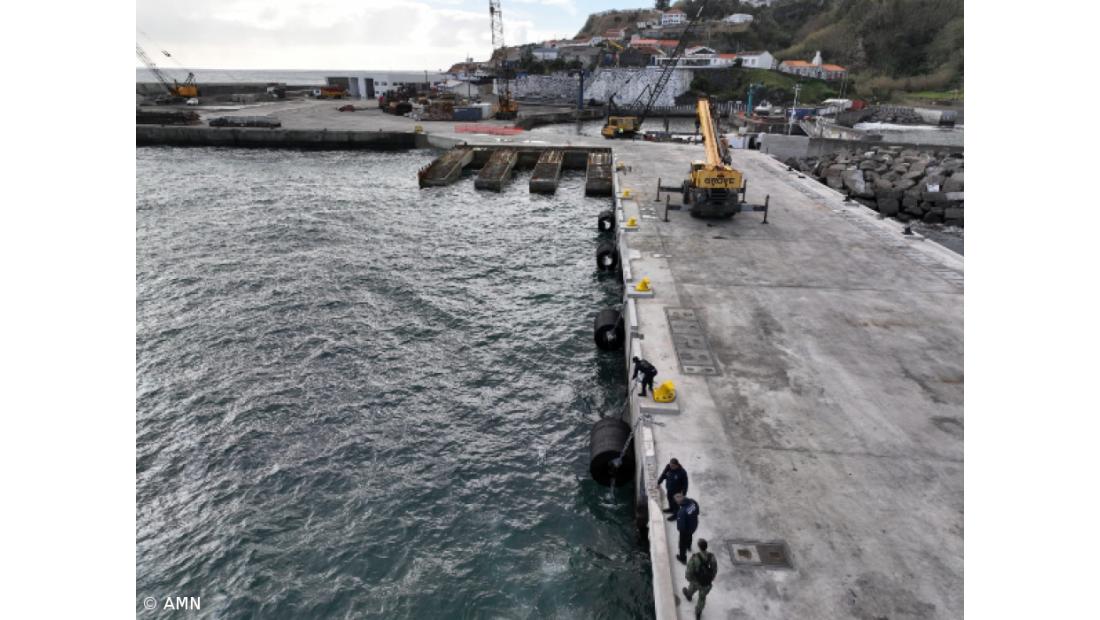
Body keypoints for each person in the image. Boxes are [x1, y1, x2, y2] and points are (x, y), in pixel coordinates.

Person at [683, 538, 718, 619]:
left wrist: (688, 578)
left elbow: (689, 570)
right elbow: (714, 569)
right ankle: (698, 613)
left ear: (699, 547)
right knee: (702, 598)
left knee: (691, 588)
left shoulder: (695, 558)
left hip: (696, 581)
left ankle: (689, 595)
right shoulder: (712, 556)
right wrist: (710, 578)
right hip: (706, 583)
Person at [674, 493, 700, 563]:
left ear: (679, 502)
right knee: (690, 535)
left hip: (686, 530)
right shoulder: (692, 502)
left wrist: (680, 532)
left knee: (682, 544)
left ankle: (682, 558)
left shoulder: (681, 512)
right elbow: (697, 510)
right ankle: (689, 546)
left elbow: (681, 527)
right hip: (694, 525)